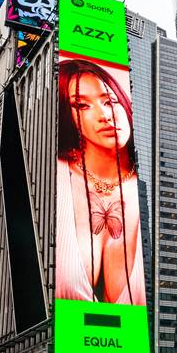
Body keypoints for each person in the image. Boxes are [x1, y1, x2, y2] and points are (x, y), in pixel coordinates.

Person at [56, 57, 145, 306]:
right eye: (82, 105)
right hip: (59, 340)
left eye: (109, 101)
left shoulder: (148, 192)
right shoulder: (59, 178)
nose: (105, 115)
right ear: (67, 114)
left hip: (136, 343)